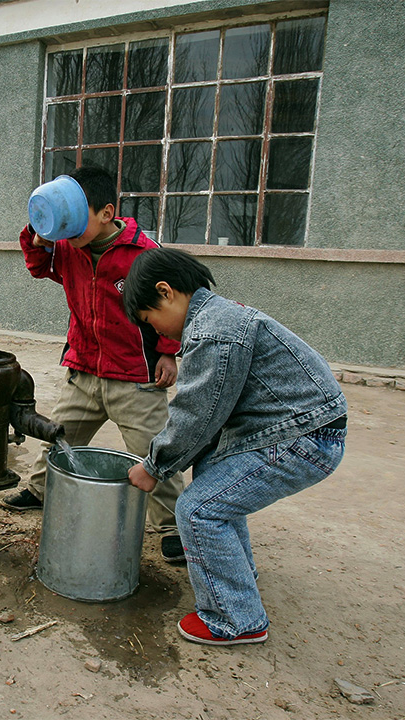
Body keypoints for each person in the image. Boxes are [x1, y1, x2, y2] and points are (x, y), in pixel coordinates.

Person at [123, 247, 347, 645]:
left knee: (197, 510)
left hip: (303, 437)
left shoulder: (213, 331)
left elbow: (197, 414)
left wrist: (154, 466)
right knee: (213, 477)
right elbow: (210, 417)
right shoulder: (217, 316)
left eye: (151, 320)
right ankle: (235, 578)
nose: (157, 332)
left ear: (166, 292)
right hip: (296, 426)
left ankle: (235, 618)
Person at [0, 165, 187, 562]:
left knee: (155, 450)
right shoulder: (68, 247)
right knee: (59, 436)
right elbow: (38, 267)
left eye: (75, 218)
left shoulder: (142, 253)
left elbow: (175, 301)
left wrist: (169, 351)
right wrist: (38, 236)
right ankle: (39, 490)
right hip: (83, 369)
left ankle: (173, 526)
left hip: (134, 377)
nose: (66, 230)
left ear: (106, 213)